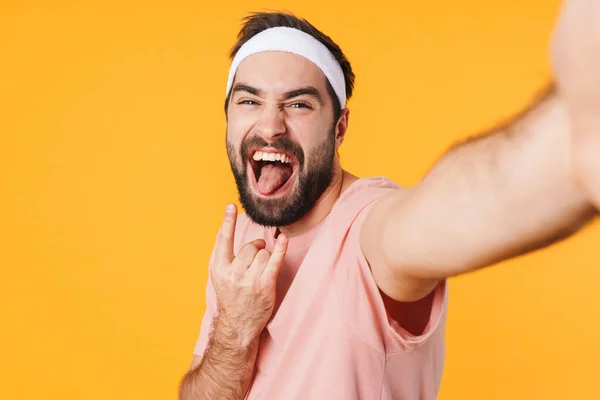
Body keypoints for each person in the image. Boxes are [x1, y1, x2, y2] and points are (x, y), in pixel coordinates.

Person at [179, 1, 600, 398]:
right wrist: (234, 328)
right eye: (250, 100)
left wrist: (573, 140)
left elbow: (435, 216)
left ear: (339, 127)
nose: (270, 126)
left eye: (299, 104)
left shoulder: (365, 231)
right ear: (229, 116)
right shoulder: (241, 243)